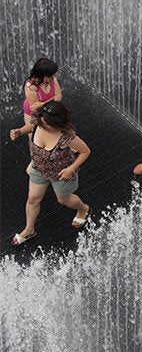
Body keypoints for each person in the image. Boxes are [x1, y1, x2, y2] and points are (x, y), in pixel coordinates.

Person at [9, 101, 91, 245]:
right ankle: (29, 230)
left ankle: (83, 208)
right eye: (42, 123)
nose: (43, 126)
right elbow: (32, 126)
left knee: (63, 200)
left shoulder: (67, 137)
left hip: (61, 172)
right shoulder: (39, 120)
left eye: (48, 125)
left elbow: (85, 151)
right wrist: (20, 131)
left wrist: (70, 169)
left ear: (58, 124)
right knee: (33, 199)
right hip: (39, 166)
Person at [22, 57, 62, 129]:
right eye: (51, 76)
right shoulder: (31, 86)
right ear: (42, 76)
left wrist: (43, 103)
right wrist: (53, 99)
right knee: (34, 137)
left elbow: (59, 97)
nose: (54, 77)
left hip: (48, 111)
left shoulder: (52, 79)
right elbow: (34, 108)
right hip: (33, 114)